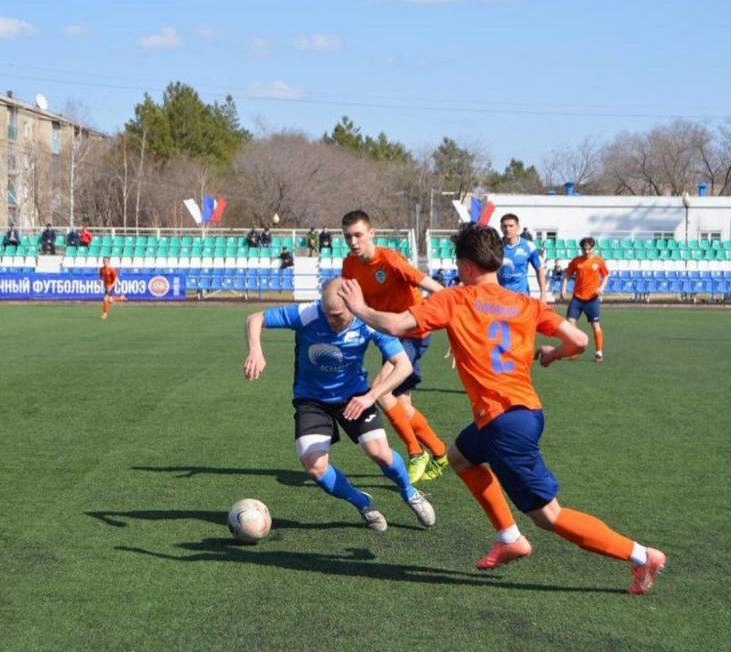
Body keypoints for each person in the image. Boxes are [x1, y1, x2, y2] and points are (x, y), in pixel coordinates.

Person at [338, 223, 667, 595]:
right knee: (460, 456)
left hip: (503, 424)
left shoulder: (455, 299)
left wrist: (359, 307)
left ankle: (642, 556)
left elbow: (397, 323)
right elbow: (577, 340)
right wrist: (552, 354)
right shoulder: (525, 304)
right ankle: (509, 536)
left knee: (550, 517)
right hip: (522, 413)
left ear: (465, 267)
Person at [243, 278, 435, 531]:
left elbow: (404, 365)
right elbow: (255, 318)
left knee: (379, 452)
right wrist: (255, 349)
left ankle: (409, 492)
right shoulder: (308, 314)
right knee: (315, 467)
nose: (332, 320)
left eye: (338, 316)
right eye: (328, 314)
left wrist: (371, 396)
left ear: (354, 307)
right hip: (311, 400)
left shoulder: (369, 321)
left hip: (355, 397)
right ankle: (363, 503)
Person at [340, 209, 449, 484]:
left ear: (371, 233)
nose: (353, 242)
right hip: (388, 335)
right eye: (347, 237)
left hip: (413, 331)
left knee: (382, 391)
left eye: (358, 235)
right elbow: (350, 301)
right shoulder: (349, 265)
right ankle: (439, 452)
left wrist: (455, 315)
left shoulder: (389, 259)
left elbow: (426, 283)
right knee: (403, 406)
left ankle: (416, 453)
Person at [562, 237, 609, 362]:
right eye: (584, 249)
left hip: (592, 299)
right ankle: (575, 349)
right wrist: (563, 288)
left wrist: (601, 287)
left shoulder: (598, 261)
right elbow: (567, 274)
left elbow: (606, 275)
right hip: (577, 298)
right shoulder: (576, 261)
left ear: (593, 248)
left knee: (595, 326)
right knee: (570, 323)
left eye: (589, 249)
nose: (587, 251)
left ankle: (599, 352)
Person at [497, 213, 546, 303]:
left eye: (511, 226)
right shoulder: (495, 246)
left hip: (522, 297)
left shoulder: (528, 246)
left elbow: (539, 269)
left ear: (518, 227)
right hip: (500, 297)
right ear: (501, 228)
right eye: (505, 226)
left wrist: (543, 295)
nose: (508, 229)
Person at [99, 256, 126, 320]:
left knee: (105, 299)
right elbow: (101, 276)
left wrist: (111, 286)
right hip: (106, 286)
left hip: (111, 286)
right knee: (109, 300)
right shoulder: (101, 269)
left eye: (106, 261)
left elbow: (116, 279)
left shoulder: (111, 269)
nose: (105, 262)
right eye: (104, 261)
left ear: (108, 262)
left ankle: (105, 314)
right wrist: (99, 280)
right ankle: (121, 298)